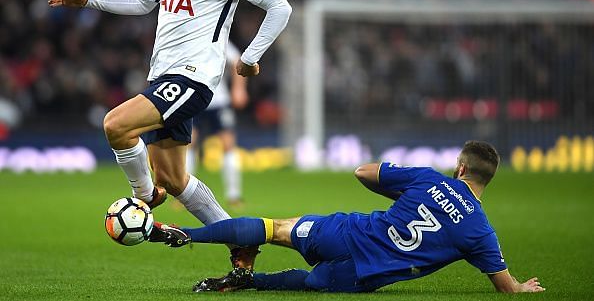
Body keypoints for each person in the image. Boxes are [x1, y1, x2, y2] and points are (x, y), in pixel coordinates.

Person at [48, 0, 291, 271]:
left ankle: (142, 196)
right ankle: (240, 243)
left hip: (194, 77)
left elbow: (279, 6)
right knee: (175, 179)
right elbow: (143, 1)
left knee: (116, 125)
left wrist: (248, 58)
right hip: (163, 76)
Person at [150, 141, 545, 294]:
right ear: (486, 180)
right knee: (309, 282)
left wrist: (394, 186)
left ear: (459, 167)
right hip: (360, 274)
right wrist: (522, 288)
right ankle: (249, 282)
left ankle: (184, 234)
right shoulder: (481, 233)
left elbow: (363, 172)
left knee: (276, 228)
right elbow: (505, 287)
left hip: (344, 233)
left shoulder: (427, 179)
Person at [186, 42, 248, 207]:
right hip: (193, 99)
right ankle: (183, 195)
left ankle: (234, 195)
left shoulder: (219, 36)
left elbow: (237, 60)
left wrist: (238, 88)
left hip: (219, 101)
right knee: (189, 143)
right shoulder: (190, 37)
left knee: (228, 144)